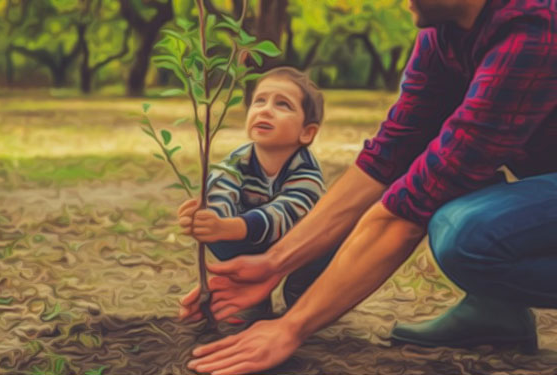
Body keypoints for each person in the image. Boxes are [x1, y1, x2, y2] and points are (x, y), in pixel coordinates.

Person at [179, 0, 557, 374]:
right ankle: (495, 309)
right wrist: (273, 263)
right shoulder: (441, 33)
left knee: (466, 233)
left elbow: (413, 205)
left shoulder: (535, 27)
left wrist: (291, 327)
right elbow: (389, 155)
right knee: (446, 176)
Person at [178, 67, 337, 321]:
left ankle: (307, 297)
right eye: (259, 101)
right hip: (255, 239)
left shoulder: (306, 173)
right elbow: (221, 190)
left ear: (307, 132)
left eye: (283, 105)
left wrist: (232, 226)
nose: (265, 109)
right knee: (217, 231)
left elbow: (284, 214)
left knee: (320, 259)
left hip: (303, 247)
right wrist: (209, 219)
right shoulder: (238, 160)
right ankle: (253, 296)